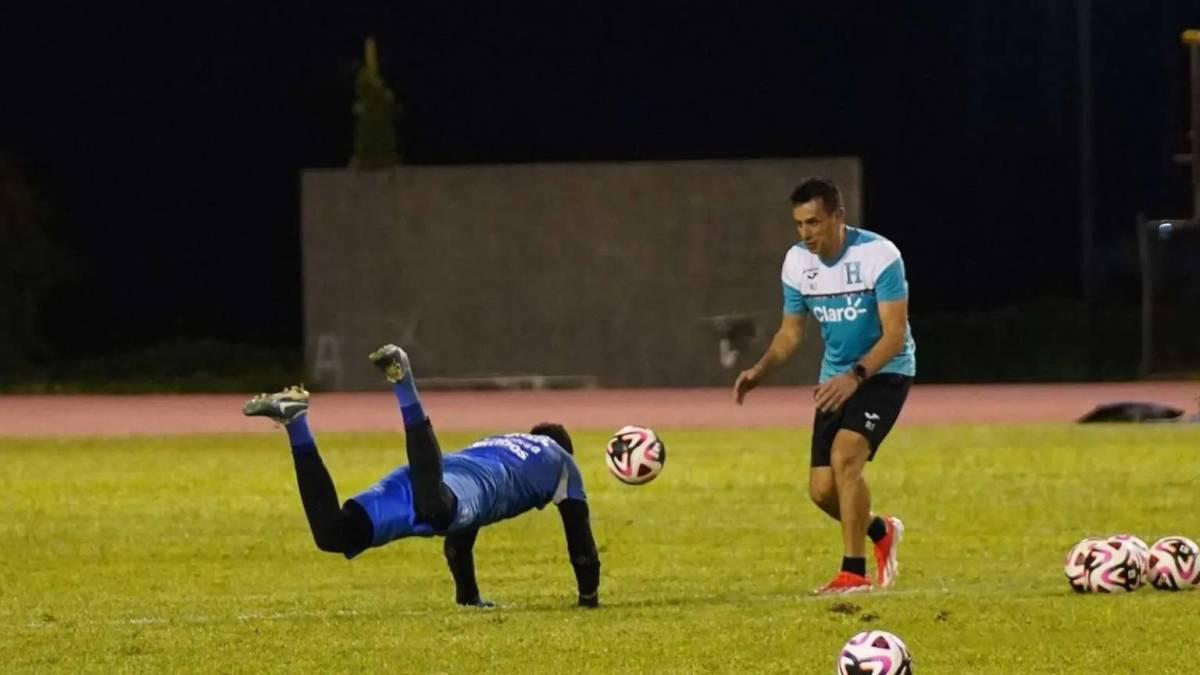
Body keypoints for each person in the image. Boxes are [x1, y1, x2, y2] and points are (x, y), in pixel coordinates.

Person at [242, 344, 601, 608]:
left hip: (425, 474)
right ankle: (403, 379)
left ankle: (295, 420)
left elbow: (461, 537)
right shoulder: (564, 464)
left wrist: (468, 597)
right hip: (444, 491)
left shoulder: (497, 442)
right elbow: (580, 539)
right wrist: (588, 598)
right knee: (436, 508)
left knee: (332, 533)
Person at [733, 177, 916, 595]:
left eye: (814, 222)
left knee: (845, 457)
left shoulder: (880, 256)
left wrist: (855, 377)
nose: (805, 233)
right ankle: (880, 531)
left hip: (884, 371)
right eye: (799, 224)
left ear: (838, 216)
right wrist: (760, 370)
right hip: (835, 378)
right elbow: (791, 333)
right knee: (820, 491)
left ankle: (853, 574)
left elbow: (894, 334)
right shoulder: (797, 263)